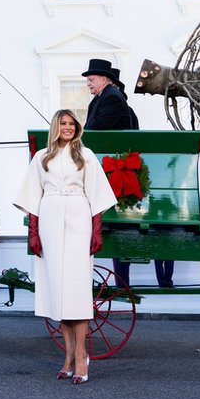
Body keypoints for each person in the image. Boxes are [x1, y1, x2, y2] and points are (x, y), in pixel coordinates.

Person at [15, 109, 116, 385]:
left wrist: (96, 231)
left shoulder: (86, 156)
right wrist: (33, 234)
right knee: (57, 292)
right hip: (49, 220)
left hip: (78, 220)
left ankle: (82, 357)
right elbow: (32, 199)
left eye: (72, 124)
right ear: (55, 127)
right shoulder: (41, 158)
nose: (68, 127)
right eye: (63, 123)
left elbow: (97, 195)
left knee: (76, 291)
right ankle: (68, 358)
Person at [82, 60, 134, 287]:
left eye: (91, 80)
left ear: (104, 79)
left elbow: (99, 128)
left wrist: (73, 135)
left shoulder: (112, 97)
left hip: (113, 163)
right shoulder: (102, 98)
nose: (88, 84)